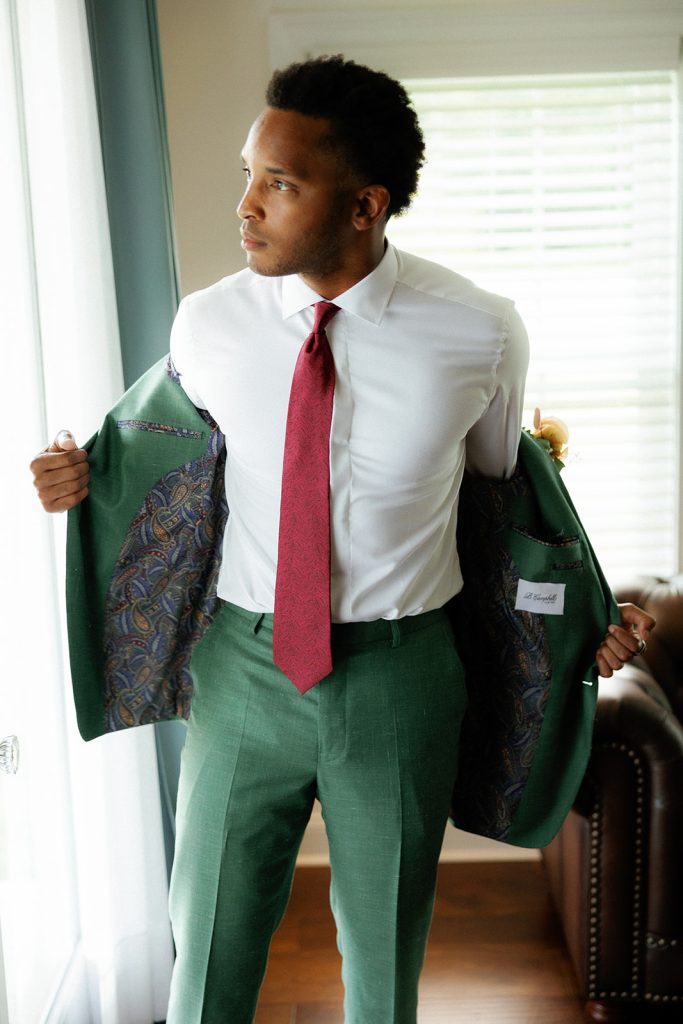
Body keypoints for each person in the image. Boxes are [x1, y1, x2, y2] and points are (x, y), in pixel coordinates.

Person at [31, 55, 655, 1024]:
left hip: (401, 679)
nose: (245, 206)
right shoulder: (208, 323)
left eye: (278, 184)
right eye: (248, 173)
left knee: (382, 964)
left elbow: (507, 504)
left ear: (363, 205)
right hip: (241, 672)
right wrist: (73, 478)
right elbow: (151, 457)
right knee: (206, 957)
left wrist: (580, 618)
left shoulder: (479, 331)